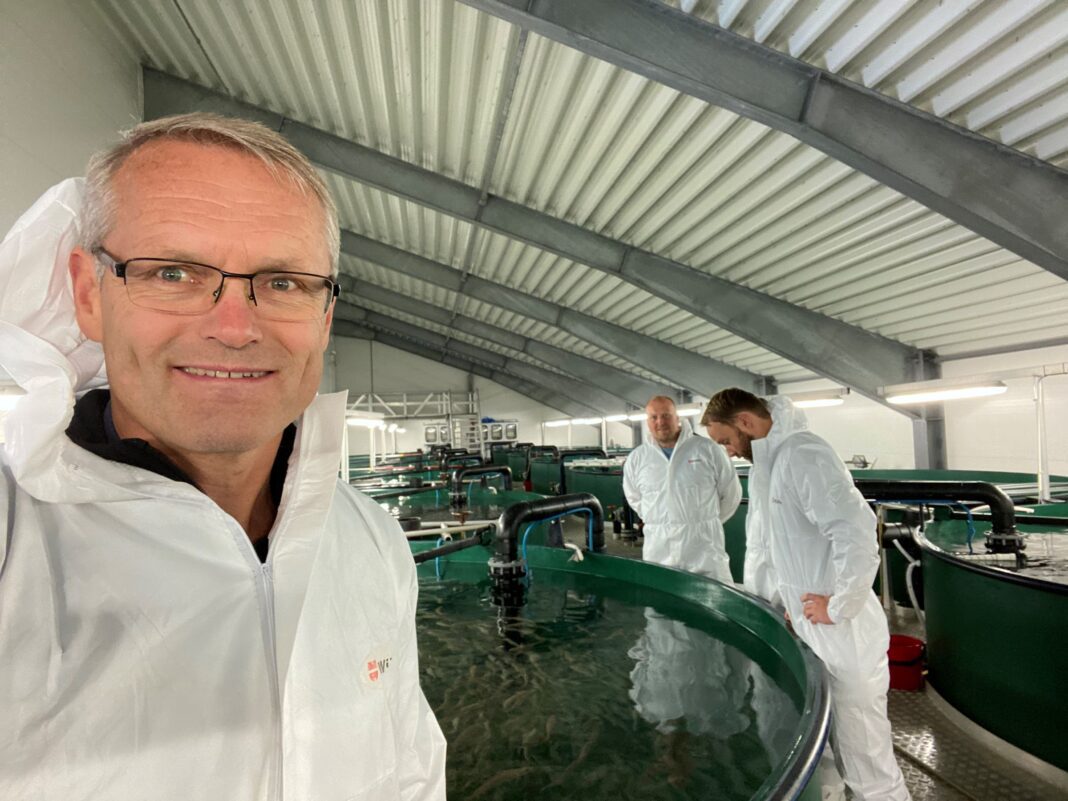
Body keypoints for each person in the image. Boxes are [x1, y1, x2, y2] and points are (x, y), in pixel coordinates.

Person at [0, 114, 446, 800]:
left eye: (284, 282)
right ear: (90, 294)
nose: (236, 328)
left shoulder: (371, 540)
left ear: (326, 317)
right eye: (173, 272)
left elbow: (413, 773)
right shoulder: (19, 542)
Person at [702, 388, 910, 801]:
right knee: (823, 752)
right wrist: (790, 605)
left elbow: (856, 532)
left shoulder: (803, 455)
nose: (728, 452)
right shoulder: (769, 464)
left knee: (866, 761)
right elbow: (788, 549)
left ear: (745, 422)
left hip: (844, 634)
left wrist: (840, 604)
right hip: (811, 628)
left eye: (726, 441)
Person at [623, 395, 741, 583]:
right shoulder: (638, 458)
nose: (660, 422)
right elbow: (634, 498)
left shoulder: (708, 450)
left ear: (677, 417)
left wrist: (702, 523)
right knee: (662, 599)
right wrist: (660, 520)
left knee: (713, 598)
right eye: (654, 417)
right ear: (647, 421)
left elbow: (731, 495)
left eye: (666, 415)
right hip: (659, 554)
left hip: (705, 554)